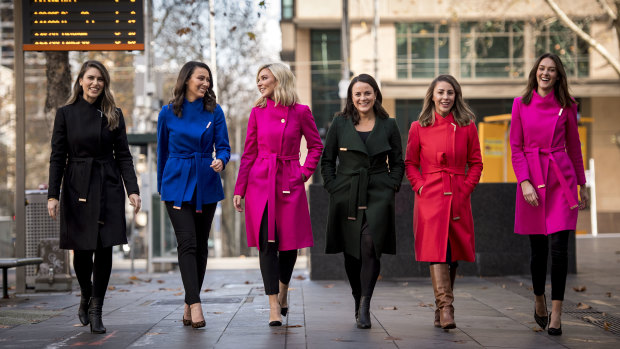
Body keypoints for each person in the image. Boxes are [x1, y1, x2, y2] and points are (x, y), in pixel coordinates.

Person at [48, 60, 141, 334]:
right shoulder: (65, 114)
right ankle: (86, 294)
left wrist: (132, 190)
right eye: (90, 78)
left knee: (105, 247)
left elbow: (123, 155)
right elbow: (57, 157)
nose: (95, 83)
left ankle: (97, 308)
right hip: (77, 185)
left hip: (108, 184)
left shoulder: (113, 113)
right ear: (80, 81)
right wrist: (53, 194)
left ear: (105, 83)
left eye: (100, 79)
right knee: (82, 248)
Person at [233, 63, 323, 326]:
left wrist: (303, 173)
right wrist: (240, 188)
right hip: (261, 182)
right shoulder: (257, 112)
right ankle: (273, 304)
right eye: (257, 79)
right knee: (267, 245)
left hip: (289, 181)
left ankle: (283, 290)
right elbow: (248, 152)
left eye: (264, 78)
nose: (259, 83)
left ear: (279, 79)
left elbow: (316, 146)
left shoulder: (301, 112)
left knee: (289, 245)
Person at [510, 53, 587, 336]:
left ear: (558, 76)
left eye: (551, 70)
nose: (545, 73)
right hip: (532, 179)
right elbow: (516, 148)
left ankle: (556, 312)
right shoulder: (520, 104)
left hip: (560, 179)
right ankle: (538, 298)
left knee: (559, 248)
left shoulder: (567, 106)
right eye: (542, 68)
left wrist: (582, 184)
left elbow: (575, 147)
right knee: (538, 249)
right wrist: (525, 182)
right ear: (535, 72)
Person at [321, 74, 404, 329]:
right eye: (357, 94)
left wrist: (392, 185)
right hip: (346, 192)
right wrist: (333, 186)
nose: (362, 98)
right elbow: (327, 160)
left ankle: (366, 304)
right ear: (351, 97)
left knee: (370, 245)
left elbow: (399, 162)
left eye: (367, 93)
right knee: (351, 253)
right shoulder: (340, 123)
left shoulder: (389, 125)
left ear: (375, 94)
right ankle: (357, 298)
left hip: (379, 192)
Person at [404, 74, 482, 329]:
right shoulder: (418, 126)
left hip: (457, 194)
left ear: (456, 96)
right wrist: (420, 186)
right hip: (430, 196)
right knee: (438, 250)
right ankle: (447, 308)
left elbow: (476, 163)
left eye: (450, 92)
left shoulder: (468, 125)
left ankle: (441, 309)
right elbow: (411, 163)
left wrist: (466, 188)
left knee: (454, 252)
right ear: (433, 96)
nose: (445, 97)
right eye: (441, 92)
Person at [157, 61, 231, 329]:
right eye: (201, 78)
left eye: (208, 80)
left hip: (206, 183)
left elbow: (223, 147)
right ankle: (196, 304)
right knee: (186, 243)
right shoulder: (167, 113)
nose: (206, 83)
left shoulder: (215, 111)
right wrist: (161, 187)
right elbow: (162, 153)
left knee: (200, 246)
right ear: (186, 79)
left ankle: (189, 302)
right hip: (176, 183)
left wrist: (221, 161)